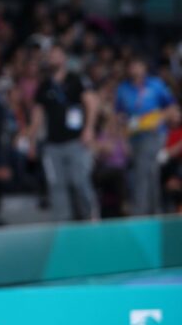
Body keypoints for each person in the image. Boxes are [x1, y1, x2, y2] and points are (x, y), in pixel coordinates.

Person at [28, 44, 99, 221]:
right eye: (50, 55)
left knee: (79, 181)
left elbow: (92, 103)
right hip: (52, 144)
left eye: (56, 54)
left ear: (64, 58)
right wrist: (31, 141)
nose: (52, 58)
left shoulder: (76, 80)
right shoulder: (44, 85)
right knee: (56, 185)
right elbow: (37, 116)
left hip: (76, 141)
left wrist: (89, 129)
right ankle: (64, 224)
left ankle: (90, 218)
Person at [115, 57, 178, 214]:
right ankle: (149, 211)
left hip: (154, 135)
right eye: (132, 66)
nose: (135, 69)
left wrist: (158, 118)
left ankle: (144, 212)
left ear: (144, 67)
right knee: (141, 174)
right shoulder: (123, 89)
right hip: (133, 137)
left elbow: (172, 107)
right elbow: (119, 116)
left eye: (138, 65)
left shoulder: (156, 85)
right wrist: (124, 139)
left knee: (146, 172)